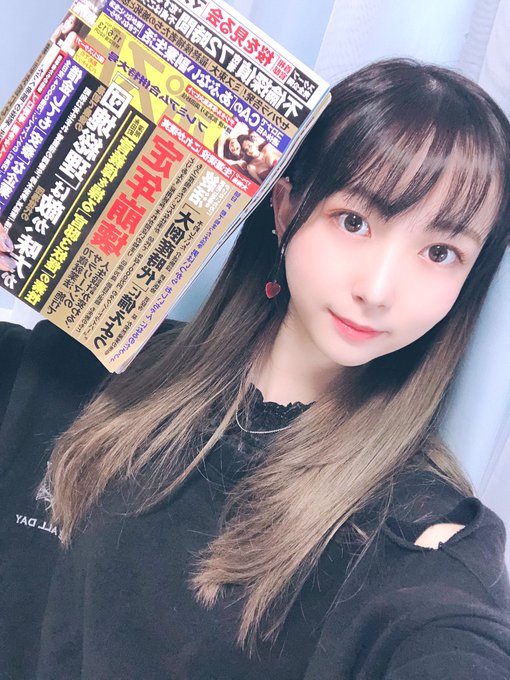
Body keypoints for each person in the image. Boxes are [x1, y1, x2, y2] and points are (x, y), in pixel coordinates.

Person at [1, 58, 510, 679]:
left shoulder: (424, 532)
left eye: (441, 252)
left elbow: (457, 641)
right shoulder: (91, 367)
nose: (378, 290)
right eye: (354, 221)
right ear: (287, 207)